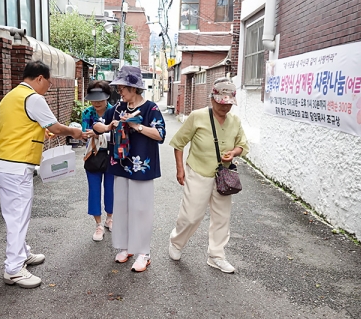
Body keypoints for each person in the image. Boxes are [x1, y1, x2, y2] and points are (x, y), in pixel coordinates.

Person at [0, 60, 84, 289]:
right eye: (48, 84)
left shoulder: (11, 96)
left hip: (4, 162)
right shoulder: (33, 97)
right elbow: (55, 126)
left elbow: (19, 126)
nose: (48, 89)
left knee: (13, 213)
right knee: (18, 216)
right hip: (17, 164)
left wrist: (41, 130)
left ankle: (21, 254)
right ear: (40, 78)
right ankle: (13, 269)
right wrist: (74, 131)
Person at [168, 77, 249, 273]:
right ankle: (176, 243)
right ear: (212, 99)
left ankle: (216, 255)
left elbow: (242, 145)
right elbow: (178, 144)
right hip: (198, 172)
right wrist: (180, 169)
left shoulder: (235, 121)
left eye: (229, 104)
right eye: (221, 103)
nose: (225, 108)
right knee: (191, 215)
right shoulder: (197, 116)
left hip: (224, 175)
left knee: (222, 217)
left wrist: (234, 153)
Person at [93, 66, 166, 272]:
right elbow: (98, 125)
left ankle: (144, 252)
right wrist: (108, 127)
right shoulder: (117, 108)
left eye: (123, 88)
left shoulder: (150, 108)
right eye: (119, 88)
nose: (120, 92)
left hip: (142, 166)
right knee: (122, 208)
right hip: (120, 165)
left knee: (141, 209)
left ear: (134, 88)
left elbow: (160, 135)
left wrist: (136, 126)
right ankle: (126, 247)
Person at [81, 81, 114, 242]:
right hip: (93, 155)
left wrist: (97, 133)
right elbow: (84, 133)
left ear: (107, 96)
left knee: (111, 189)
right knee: (94, 190)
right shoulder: (87, 113)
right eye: (93, 99)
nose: (97, 103)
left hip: (111, 156)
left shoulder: (115, 112)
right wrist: (100, 132)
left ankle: (110, 218)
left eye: (100, 99)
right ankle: (98, 225)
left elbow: (118, 135)